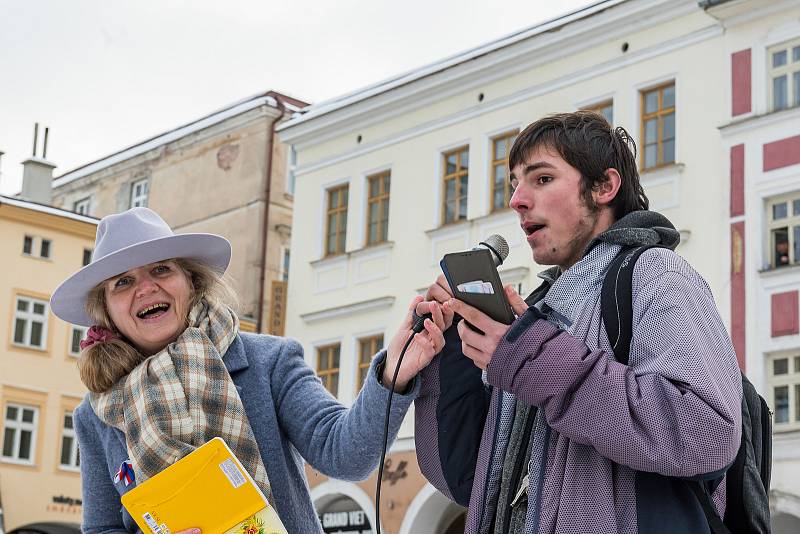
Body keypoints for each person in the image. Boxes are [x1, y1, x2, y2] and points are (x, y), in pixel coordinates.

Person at [414, 111, 743, 534]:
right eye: (514, 183)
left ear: (605, 187)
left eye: (542, 179)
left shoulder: (657, 275)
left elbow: (707, 432)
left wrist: (530, 356)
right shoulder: (538, 311)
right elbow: (467, 480)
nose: (517, 199)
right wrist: (451, 351)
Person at [50, 207, 445, 534]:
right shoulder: (97, 414)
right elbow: (102, 528)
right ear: (107, 309)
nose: (146, 288)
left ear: (191, 280)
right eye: (123, 281)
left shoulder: (268, 362)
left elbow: (345, 455)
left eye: (161, 270)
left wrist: (392, 373)